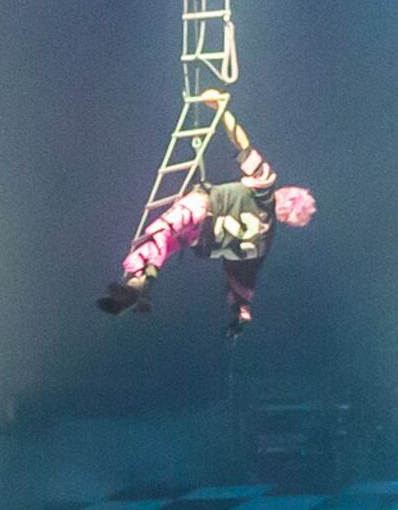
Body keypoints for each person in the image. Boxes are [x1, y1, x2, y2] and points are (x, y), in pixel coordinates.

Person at [97, 93, 316, 333]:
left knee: (161, 234)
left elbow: (242, 145)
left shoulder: (264, 187)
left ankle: (139, 281)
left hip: (203, 209)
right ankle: (136, 285)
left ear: (286, 196)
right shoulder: (263, 243)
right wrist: (241, 310)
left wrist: (222, 110)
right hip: (199, 239)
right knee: (166, 242)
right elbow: (240, 279)